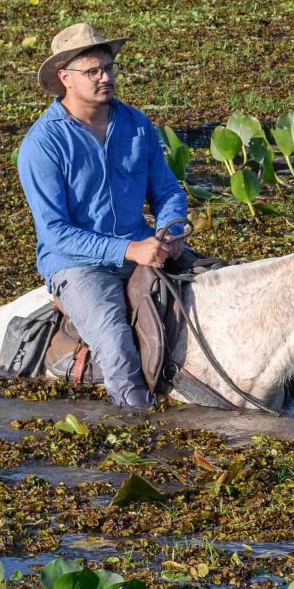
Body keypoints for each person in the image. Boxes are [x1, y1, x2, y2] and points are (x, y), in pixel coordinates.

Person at [15, 22, 189, 409]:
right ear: (65, 79)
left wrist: (170, 230)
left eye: (108, 68)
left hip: (144, 245)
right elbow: (56, 233)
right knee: (115, 344)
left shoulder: (136, 124)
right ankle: (138, 420)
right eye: (93, 71)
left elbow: (167, 190)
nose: (105, 77)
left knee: (218, 291)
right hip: (78, 266)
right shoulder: (42, 145)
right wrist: (131, 249)